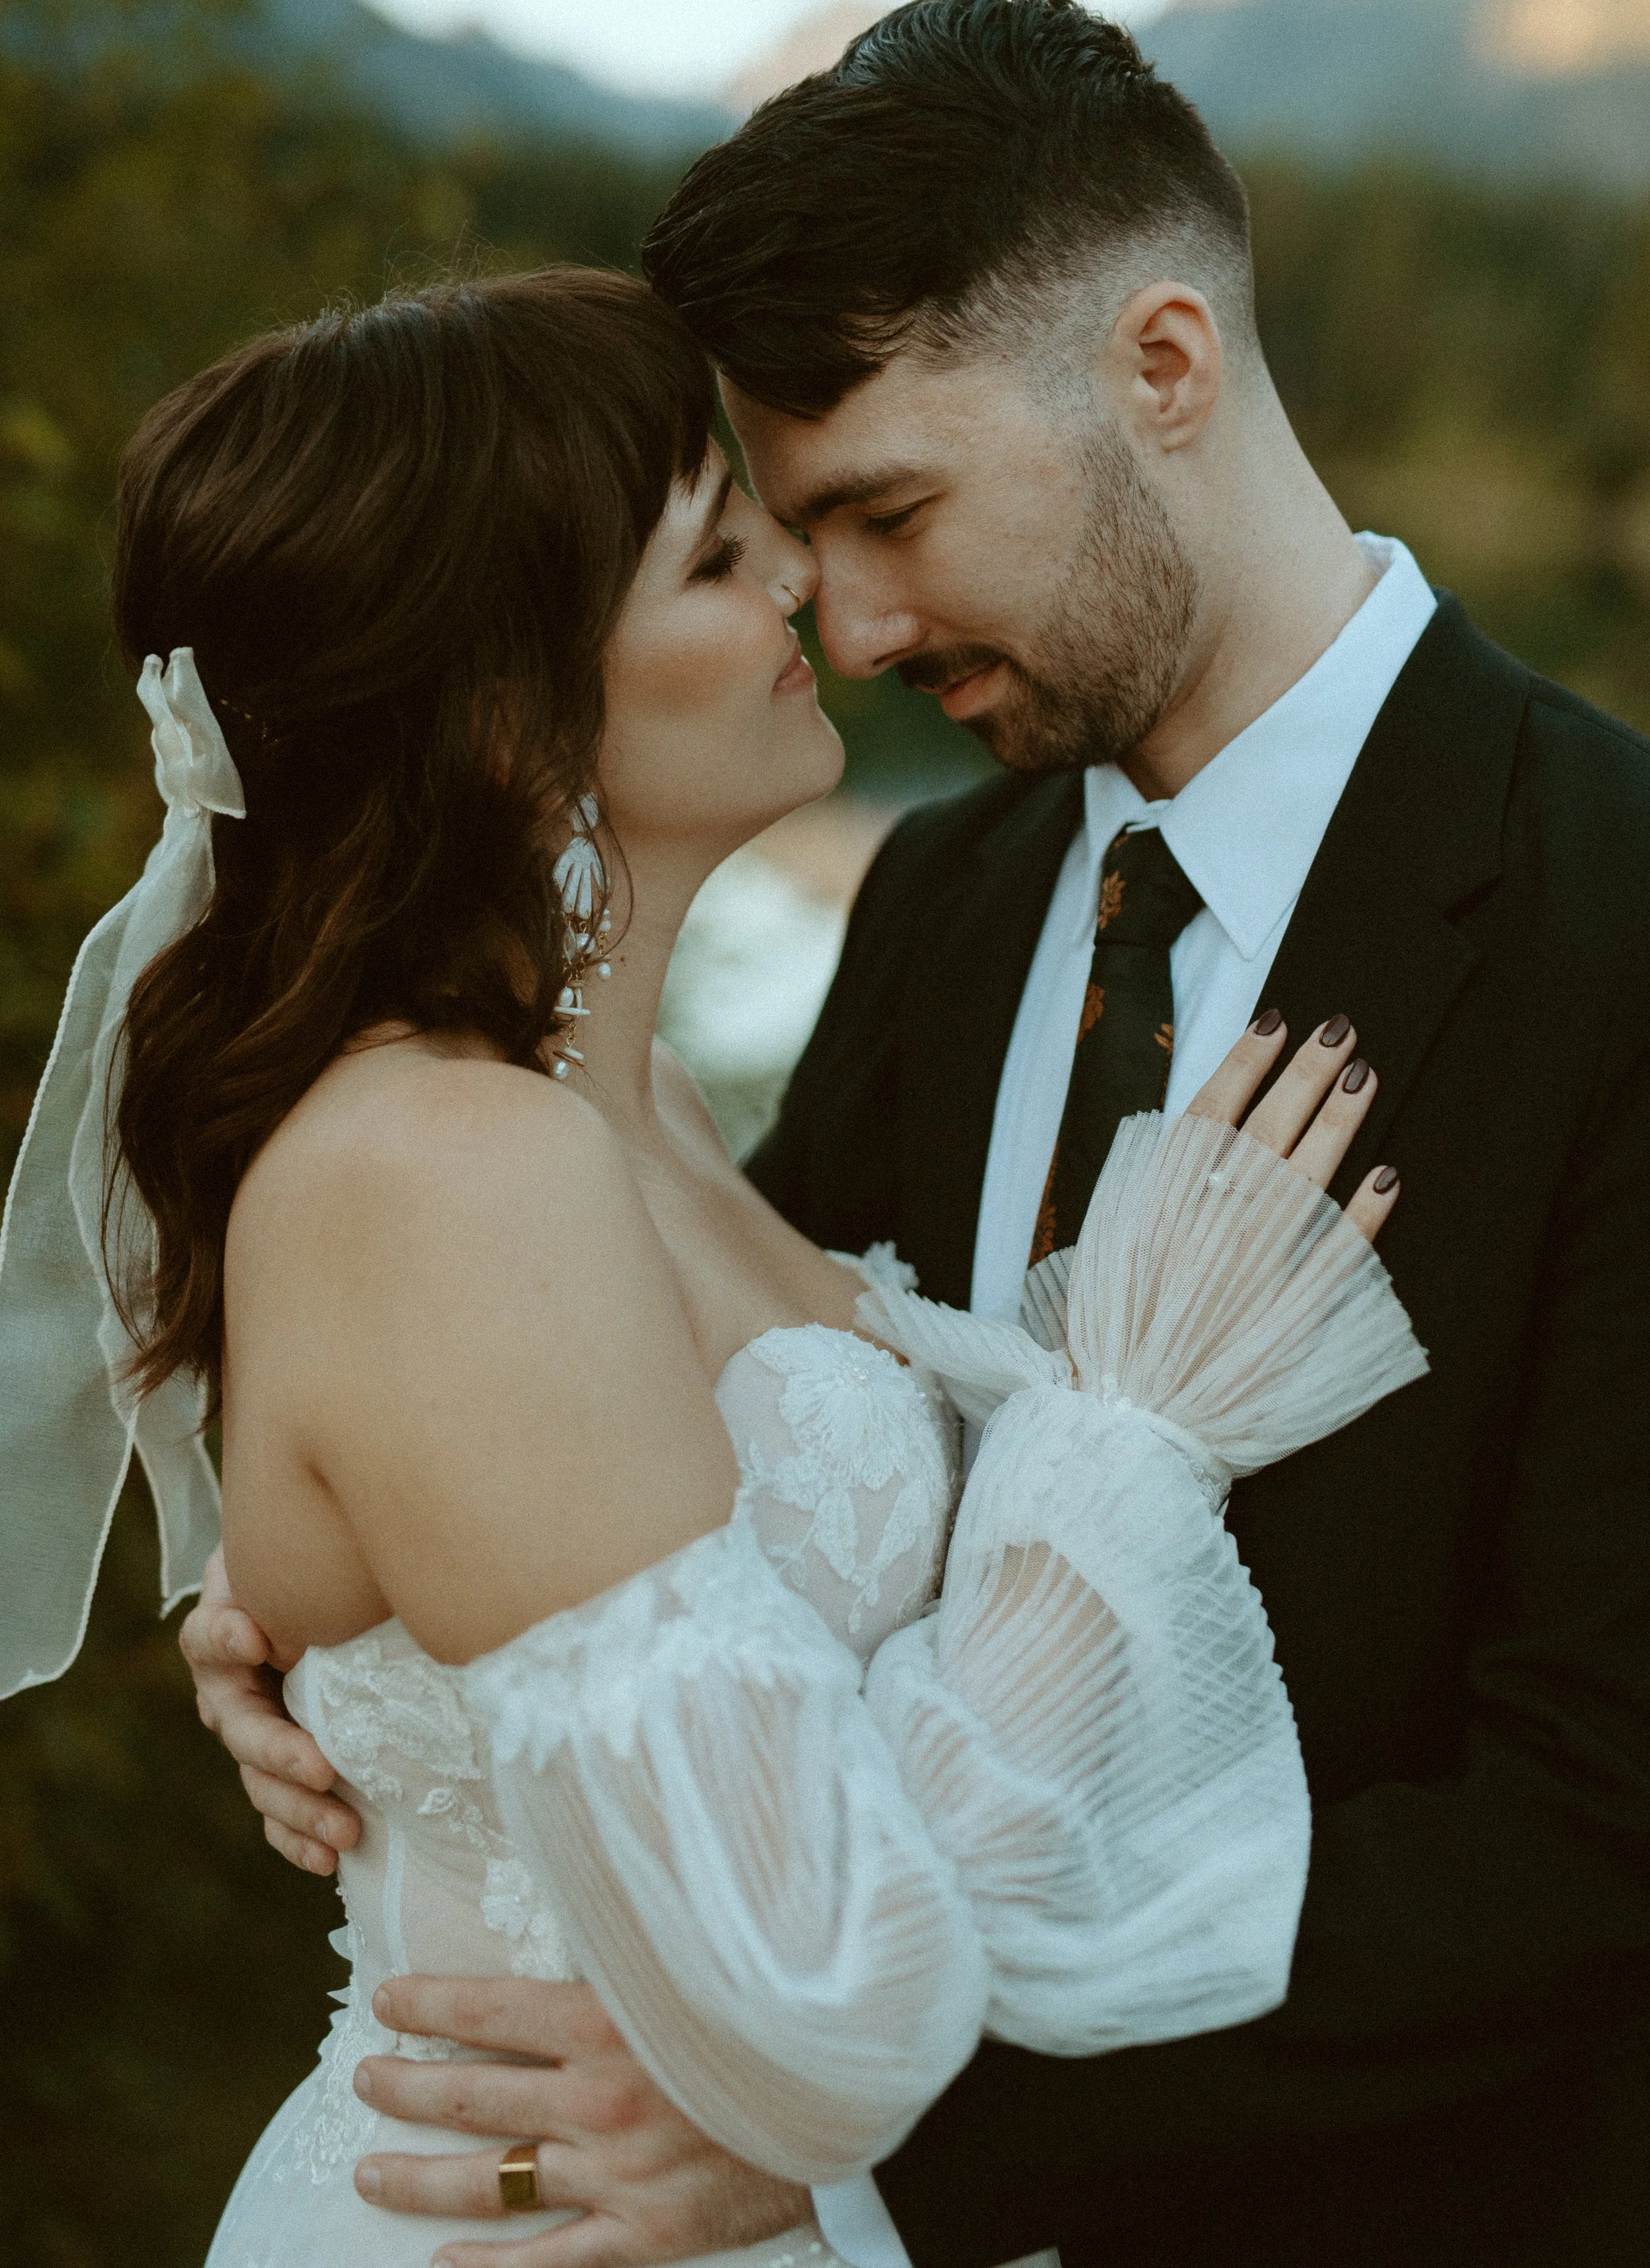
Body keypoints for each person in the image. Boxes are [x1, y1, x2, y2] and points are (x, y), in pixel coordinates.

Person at [191, 5, 1650, 2266]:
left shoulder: (1609, 906)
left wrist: (885, 2138)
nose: (849, 625)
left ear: (1161, 364)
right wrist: (335, 1596)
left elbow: (1593, 1820)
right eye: (776, 540)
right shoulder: (955, 895)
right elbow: (669, 1452)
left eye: (890, 513)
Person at [0, 259, 1426, 2268]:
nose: (815, 611)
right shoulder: (448, 1167)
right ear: (506, 704)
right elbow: (824, 2005)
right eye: (720, 558)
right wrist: (1120, 1443)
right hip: (517, 2215)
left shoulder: (635, 1110)